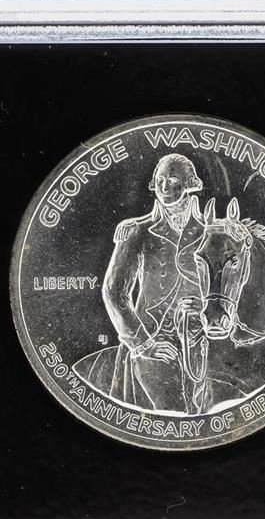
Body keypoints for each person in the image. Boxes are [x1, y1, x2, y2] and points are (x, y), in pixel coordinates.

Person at [72, 153, 207, 412]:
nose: (165, 187)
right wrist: (144, 344)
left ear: (190, 184)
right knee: (173, 414)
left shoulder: (211, 231)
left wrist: (203, 308)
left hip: (202, 337)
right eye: (160, 181)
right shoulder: (136, 230)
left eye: (173, 180)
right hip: (154, 339)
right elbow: (114, 291)